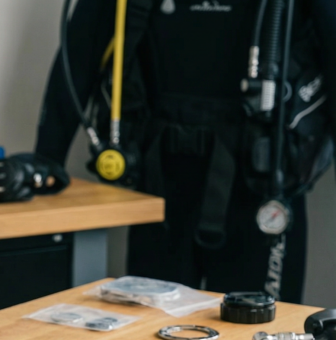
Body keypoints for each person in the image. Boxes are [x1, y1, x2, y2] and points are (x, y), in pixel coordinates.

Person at [35, 0, 335, 303]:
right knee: (149, 333)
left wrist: (47, 157)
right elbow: (79, 54)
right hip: (158, 181)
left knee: (258, 336)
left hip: (263, 181)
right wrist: (46, 160)